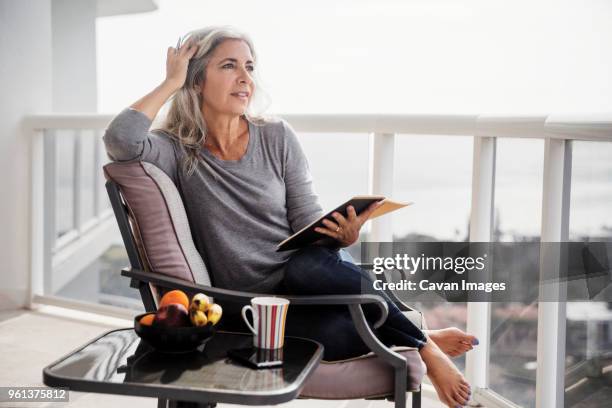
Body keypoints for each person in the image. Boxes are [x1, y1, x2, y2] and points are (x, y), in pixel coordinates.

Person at [103, 26, 477, 407]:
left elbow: (307, 220)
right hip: (246, 303)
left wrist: (342, 235)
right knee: (340, 332)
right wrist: (171, 81)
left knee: (308, 267)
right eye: (229, 66)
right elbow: (120, 141)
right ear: (197, 80)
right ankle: (419, 331)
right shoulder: (176, 150)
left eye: (249, 66)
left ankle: (425, 347)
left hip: (308, 281)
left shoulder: (277, 136)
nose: (245, 77)